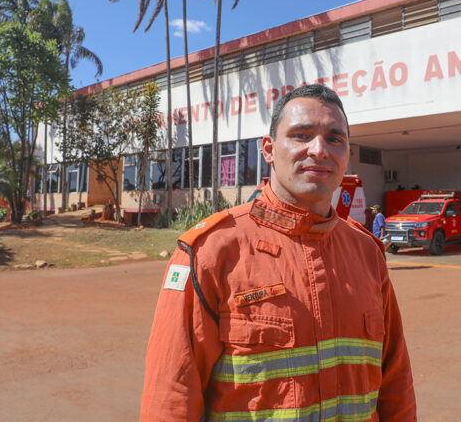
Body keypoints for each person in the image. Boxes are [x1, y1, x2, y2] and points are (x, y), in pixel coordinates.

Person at [140, 84, 417, 421]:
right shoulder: (212, 251)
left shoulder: (366, 252)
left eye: (335, 138)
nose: (319, 149)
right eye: (301, 135)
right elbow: (171, 397)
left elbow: (396, 384)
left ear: (346, 153)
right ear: (269, 150)